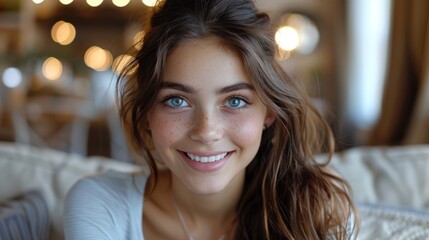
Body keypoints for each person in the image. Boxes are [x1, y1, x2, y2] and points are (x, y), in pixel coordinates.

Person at [64, 0, 358, 239]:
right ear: (147, 115)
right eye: (176, 101)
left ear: (268, 111)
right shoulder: (100, 205)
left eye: (235, 101)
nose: (206, 131)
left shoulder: (315, 213)